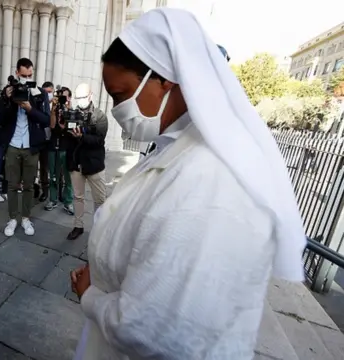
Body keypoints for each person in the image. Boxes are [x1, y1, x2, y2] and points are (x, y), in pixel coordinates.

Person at [70, 9, 306, 360]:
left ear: (165, 78)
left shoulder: (214, 179)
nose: (119, 109)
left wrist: (91, 295)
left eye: (122, 95)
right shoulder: (177, 145)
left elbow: (162, 331)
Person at [0, 58, 51, 237]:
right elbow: (1, 118)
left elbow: (46, 120)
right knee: (12, 185)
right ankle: (13, 218)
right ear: (16, 73)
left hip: (31, 146)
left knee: (28, 186)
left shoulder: (40, 93)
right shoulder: (9, 91)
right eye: (23, 76)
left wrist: (30, 108)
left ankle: (26, 218)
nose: (27, 79)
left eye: (30, 75)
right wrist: (7, 99)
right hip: (13, 144)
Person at [65, 83, 108, 240]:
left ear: (90, 96)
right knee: (78, 197)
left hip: (95, 165)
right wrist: (67, 128)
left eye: (83, 97)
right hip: (77, 163)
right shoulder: (72, 114)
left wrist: (81, 135)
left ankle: (98, 230)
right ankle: (78, 226)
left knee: (100, 199)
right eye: (78, 98)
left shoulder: (100, 116)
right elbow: (66, 136)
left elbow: (99, 140)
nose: (80, 100)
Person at [45, 86, 74, 215]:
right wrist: (53, 110)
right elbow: (52, 126)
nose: (63, 99)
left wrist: (67, 111)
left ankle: (68, 202)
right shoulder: (55, 109)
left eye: (66, 96)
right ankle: (53, 199)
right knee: (53, 175)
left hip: (66, 147)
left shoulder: (72, 111)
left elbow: (68, 127)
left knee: (68, 177)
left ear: (69, 98)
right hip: (53, 145)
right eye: (61, 96)